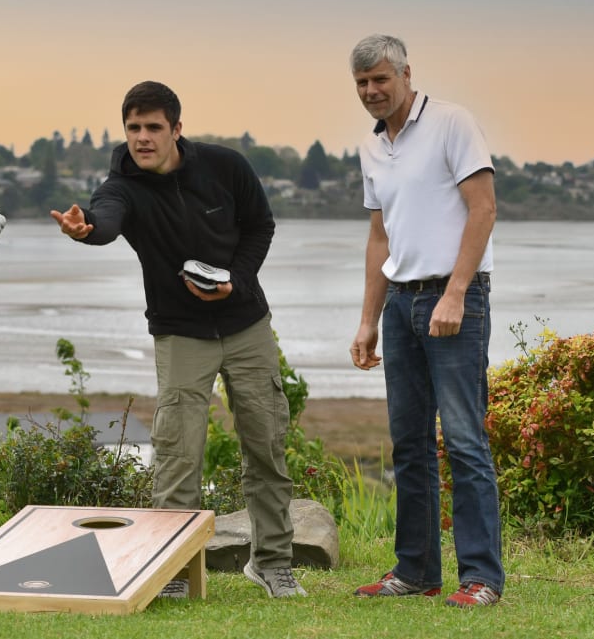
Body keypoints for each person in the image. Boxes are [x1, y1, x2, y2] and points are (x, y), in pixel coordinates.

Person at [51, 81, 305, 599]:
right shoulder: (122, 187)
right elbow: (106, 219)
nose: (142, 138)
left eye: (153, 127)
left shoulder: (225, 166)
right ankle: (173, 572)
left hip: (246, 324)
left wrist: (236, 280)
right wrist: (85, 228)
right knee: (178, 454)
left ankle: (273, 563)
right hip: (180, 332)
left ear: (176, 129)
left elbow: (261, 226)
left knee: (266, 444)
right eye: (133, 128)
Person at [347, 34, 505, 608]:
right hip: (399, 305)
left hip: (455, 299)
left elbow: (483, 209)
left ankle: (481, 578)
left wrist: (456, 293)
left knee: (464, 441)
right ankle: (416, 571)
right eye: (362, 83)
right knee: (409, 444)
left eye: (380, 79)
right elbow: (379, 237)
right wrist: (368, 319)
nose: (371, 90)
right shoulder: (371, 147)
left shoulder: (452, 123)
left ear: (406, 74)